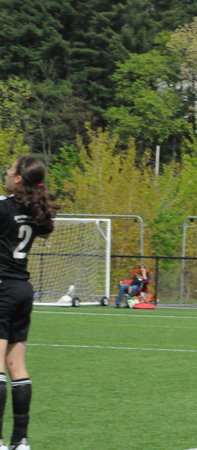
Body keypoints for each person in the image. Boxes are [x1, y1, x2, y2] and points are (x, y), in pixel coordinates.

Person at [0, 156, 58, 450]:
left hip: (2, 287)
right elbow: (45, 228)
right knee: (17, 365)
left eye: (10, 169)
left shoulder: (3, 207)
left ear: (18, 179)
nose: (6, 172)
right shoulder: (36, 211)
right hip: (23, 289)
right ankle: (20, 440)